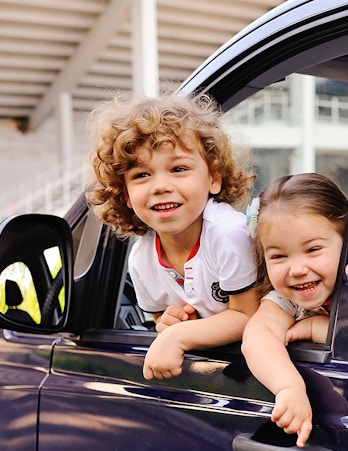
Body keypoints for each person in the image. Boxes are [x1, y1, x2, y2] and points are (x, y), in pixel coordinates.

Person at [86, 91, 258, 380]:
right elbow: (158, 319)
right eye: (141, 175)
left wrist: (177, 338)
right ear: (125, 194)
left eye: (178, 169)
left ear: (213, 178)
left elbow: (247, 315)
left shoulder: (227, 233)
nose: (161, 186)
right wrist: (170, 324)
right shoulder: (142, 258)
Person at [242, 173, 348, 447]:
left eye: (313, 249)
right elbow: (259, 336)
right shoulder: (285, 300)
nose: (298, 269)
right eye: (278, 256)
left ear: (347, 243)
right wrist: (289, 386)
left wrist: (318, 328)